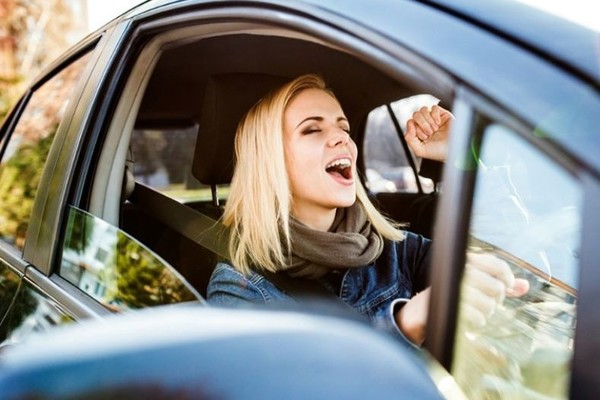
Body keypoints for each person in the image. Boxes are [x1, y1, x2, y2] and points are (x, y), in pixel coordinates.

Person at [207, 74, 527, 346]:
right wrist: (405, 324)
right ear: (270, 161)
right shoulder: (239, 289)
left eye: (344, 128)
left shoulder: (393, 250)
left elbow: (512, 257)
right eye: (312, 129)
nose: (341, 139)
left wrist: (461, 158)